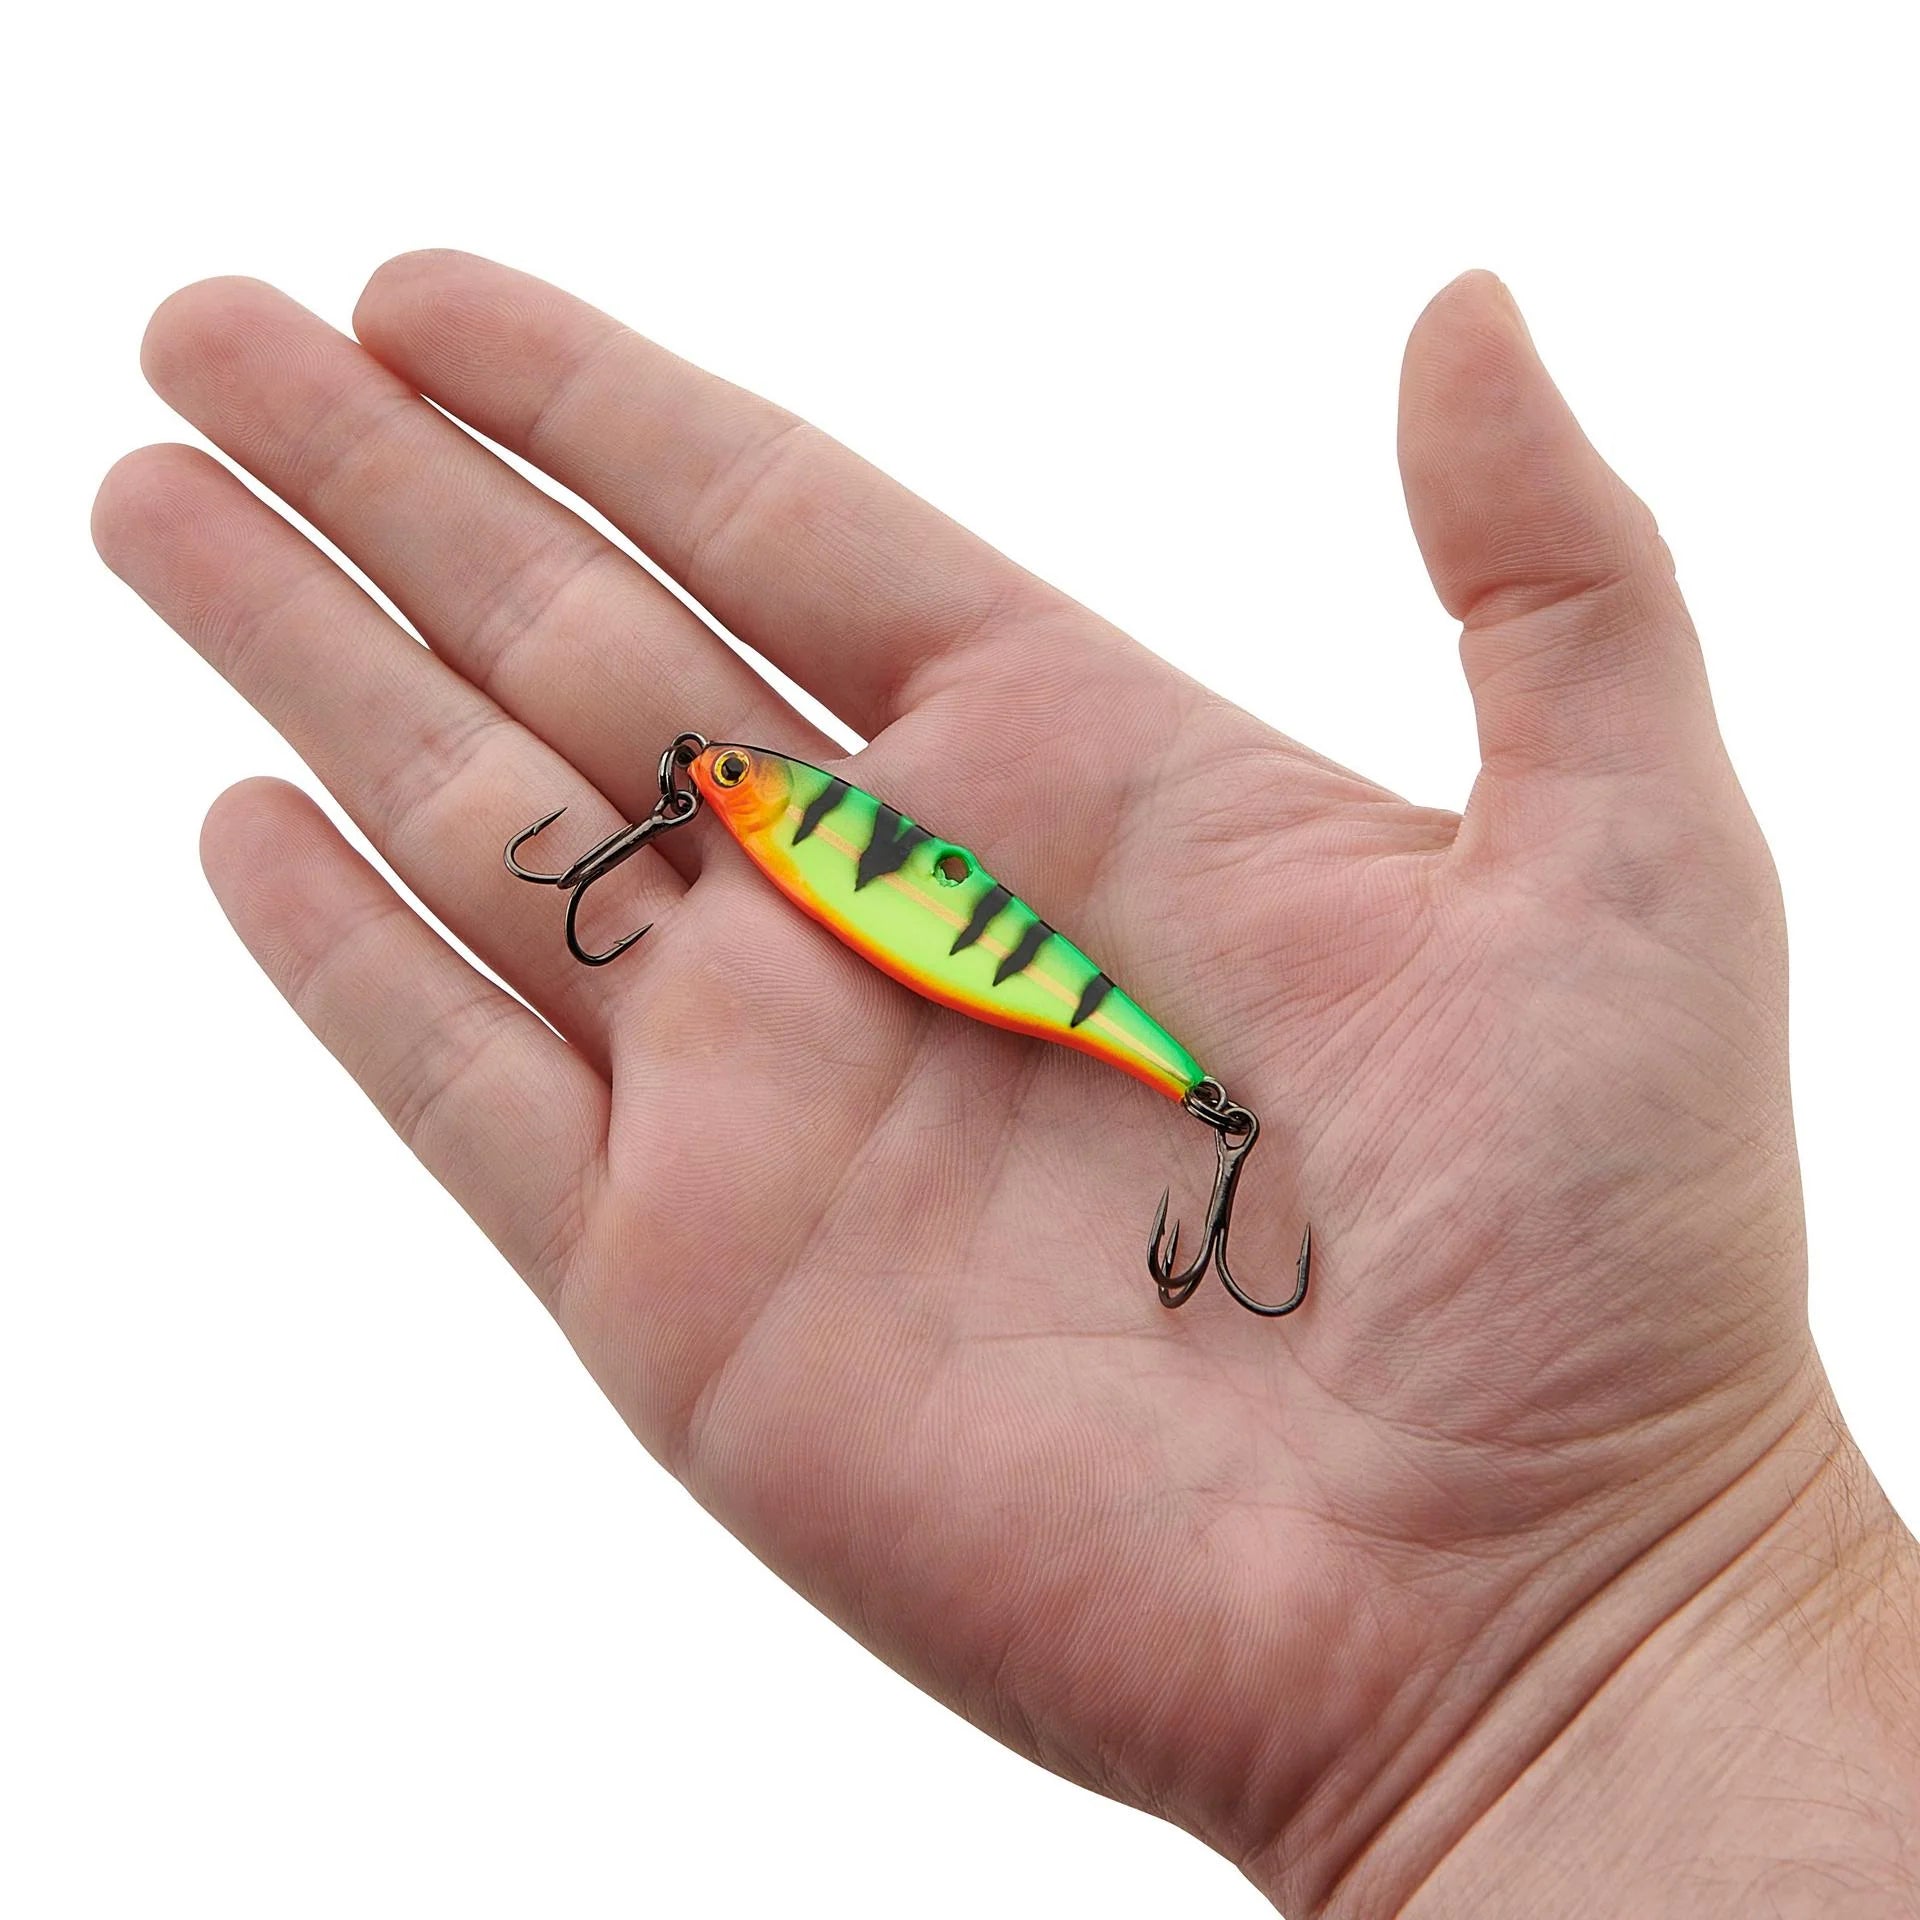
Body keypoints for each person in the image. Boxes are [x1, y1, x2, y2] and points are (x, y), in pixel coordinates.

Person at [93, 255, 1918, 1915]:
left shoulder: (785, 817)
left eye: (711, 783)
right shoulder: (771, 817)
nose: (705, 788)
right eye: (707, 785)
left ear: (728, 793)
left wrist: (1658, 1560)